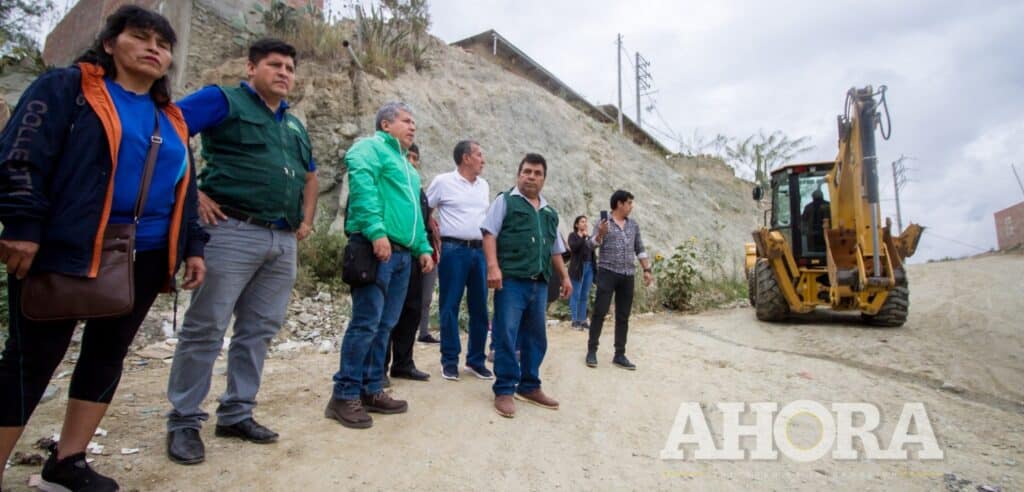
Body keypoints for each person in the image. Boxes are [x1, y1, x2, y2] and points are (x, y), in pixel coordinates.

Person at [0, 6, 207, 490]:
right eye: (141, 37)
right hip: (67, 245)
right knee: (31, 360)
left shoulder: (170, 116)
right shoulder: (65, 89)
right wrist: (24, 222)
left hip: (148, 252)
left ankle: (68, 461)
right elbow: (20, 154)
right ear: (110, 43)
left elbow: (185, 188)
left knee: (106, 354)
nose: (155, 48)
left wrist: (193, 245)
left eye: (164, 43)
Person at [165, 38, 319, 465]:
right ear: (251, 68)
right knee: (206, 327)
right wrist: (192, 193)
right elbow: (167, 128)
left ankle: (236, 412)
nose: (285, 72)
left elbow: (311, 177)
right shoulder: (222, 100)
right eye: (275, 64)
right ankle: (183, 421)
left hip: (282, 240)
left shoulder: (294, 125)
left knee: (259, 330)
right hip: (230, 229)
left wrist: (306, 222)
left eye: (290, 66)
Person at [324, 102, 434, 429]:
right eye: (406, 120)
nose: (412, 126)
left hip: (402, 254)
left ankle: (372, 388)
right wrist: (375, 231)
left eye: (414, 121)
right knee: (366, 322)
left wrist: (423, 247)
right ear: (386, 125)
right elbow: (362, 186)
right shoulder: (369, 148)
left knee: (385, 324)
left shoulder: (408, 167)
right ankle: (344, 394)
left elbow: (415, 213)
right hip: (377, 248)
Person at [481, 153, 572, 418]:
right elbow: (489, 233)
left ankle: (530, 385)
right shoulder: (505, 201)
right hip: (511, 282)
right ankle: (505, 389)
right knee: (506, 334)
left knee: (536, 336)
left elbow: (555, 250)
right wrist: (493, 267)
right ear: (518, 174)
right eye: (527, 172)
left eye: (537, 173)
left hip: (539, 283)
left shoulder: (549, 213)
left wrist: (565, 277)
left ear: (544, 178)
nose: (531, 177)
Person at [426, 140, 492, 381]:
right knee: (450, 306)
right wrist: (430, 226)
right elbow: (425, 207)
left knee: (480, 308)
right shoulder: (443, 182)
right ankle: (449, 360)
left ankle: (475, 360)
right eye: (479, 154)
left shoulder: (483, 185)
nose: (483, 160)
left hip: (479, 251)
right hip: (453, 250)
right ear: (466, 158)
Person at [384, 143, 439, 383]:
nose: (412, 161)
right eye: (408, 156)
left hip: (415, 257)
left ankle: (403, 363)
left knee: (412, 310)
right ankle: (378, 368)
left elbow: (423, 224)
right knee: (387, 313)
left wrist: (426, 251)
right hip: (391, 253)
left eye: (416, 157)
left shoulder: (419, 190)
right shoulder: (391, 185)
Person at [586, 190, 652, 370]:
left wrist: (647, 269)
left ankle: (620, 354)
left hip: (627, 275)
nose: (631, 206)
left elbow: (640, 248)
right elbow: (591, 244)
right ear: (619, 204)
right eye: (629, 203)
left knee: (623, 316)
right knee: (599, 312)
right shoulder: (603, 222)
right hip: (607, 272)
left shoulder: (633, 225)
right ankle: (592, 351)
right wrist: (600, 233)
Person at [567, 215, 596, 329]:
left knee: (584, 295)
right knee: (576, 294)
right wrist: (582, 238)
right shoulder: (573, 236)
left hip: (589, 267)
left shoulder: (588, 237)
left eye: (586, 222)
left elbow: (592, 250)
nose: (585, 224)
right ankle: (575, 321)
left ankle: (582, 320)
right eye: (582, 222)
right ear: (576, 224)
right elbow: (574, 248)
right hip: (578, 268)